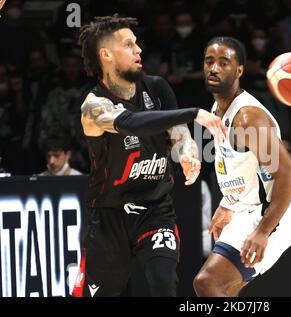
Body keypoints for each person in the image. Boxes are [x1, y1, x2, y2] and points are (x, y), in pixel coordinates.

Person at [71, 15, 226, 297]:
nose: (139, 49)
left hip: (155, 209)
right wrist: (193, 112)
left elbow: (178, 134)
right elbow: (131, 122)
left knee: (163, 282)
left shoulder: (156, 88)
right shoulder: (93, 106)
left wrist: (187, 152)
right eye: (129, 44)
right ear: (106, 54)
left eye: (137, 42)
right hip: (108, 218)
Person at [193, 37, 291, 297]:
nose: (214, 68)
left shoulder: (248, 118)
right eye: (209, 61)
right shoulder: (218, 109)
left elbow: (289, 176)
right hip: (245, 209)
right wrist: (227, 203)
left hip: (275, 213)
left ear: (239, 70)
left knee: (208, 282)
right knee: (225, 289)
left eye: (223, 62)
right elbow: (238, 164)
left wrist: (263, 231)